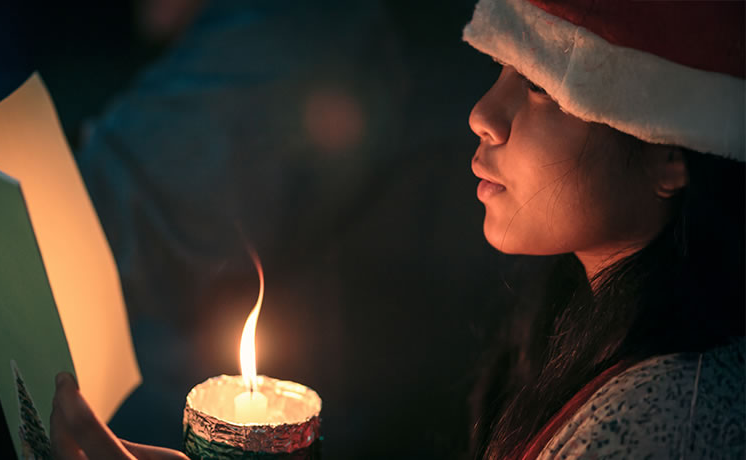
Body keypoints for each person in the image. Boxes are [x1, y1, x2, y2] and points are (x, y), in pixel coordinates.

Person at [50, 0, 745, 459]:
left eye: (539, 88)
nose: (482, 114)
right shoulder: (586, 331)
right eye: (499, 70)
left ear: (668, 152)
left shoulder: (658, 426)